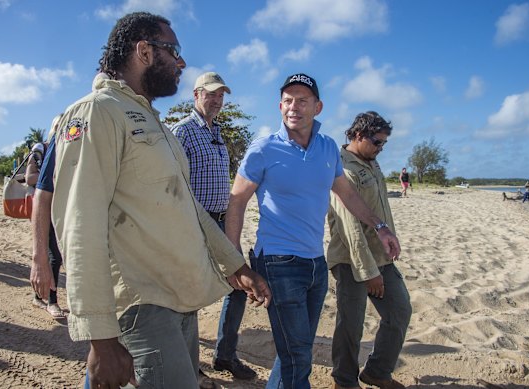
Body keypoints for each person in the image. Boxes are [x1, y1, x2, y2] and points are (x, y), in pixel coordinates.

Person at [49, 12, 271, 389]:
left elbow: (188, 207)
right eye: (175, 51)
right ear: (144, 51)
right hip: (141, 304)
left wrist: (236, 266)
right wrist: (101, 339)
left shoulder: (152, 121)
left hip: (177, 300)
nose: (182, 62)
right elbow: (78, 225)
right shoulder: (97, 112)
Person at [225, 73, 401, 389]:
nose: (294, 107)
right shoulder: (263, 149)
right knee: (297, 357)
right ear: (280, 106)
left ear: (317, 107)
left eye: (302, 100)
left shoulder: (327, 148)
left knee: (297, 350)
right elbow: (236, 202)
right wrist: (234, 259)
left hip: (316, 264)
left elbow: (347, 194)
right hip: (277, 263)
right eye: (288, 100)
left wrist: (381, 227)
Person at [172, 72, 257, 384]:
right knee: (189, 293)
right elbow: (174, 184)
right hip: (195, 223)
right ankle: (188, 364)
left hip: (222, 222)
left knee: (239, 284)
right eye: (211, 94)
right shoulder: (182, 131)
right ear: (196, 95)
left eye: (221, 95)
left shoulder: (218, 131)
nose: (217, 100)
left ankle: (224, 354)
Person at [327, 111, 412, 389]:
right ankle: (344, 381)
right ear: (358, 135)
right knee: (351, 325)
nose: (381, 148)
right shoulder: (342, 168)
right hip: (352, 261)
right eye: (377, 142)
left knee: (399, 311)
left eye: (384, 144)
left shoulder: (370, 162)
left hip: (380, 257)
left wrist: (390, 237)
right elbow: (348, 226)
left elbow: (378, 210)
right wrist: (368, 272)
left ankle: (377, 371)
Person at [27, 115, 65, 320]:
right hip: (44, 209)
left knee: (54, 254)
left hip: (60, 209)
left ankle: (38, 296)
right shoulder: (41, 150)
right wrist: (50, 179)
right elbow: (30, 177)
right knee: (54, 255)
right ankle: (52, 301)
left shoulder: (69, 149)